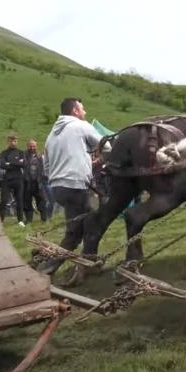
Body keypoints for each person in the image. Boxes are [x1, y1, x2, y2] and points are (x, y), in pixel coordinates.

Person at [36, 98, 109, 275]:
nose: (85, 112)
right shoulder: (80, 125)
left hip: (57, 188)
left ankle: (89, 262)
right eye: (83, 109)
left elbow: (46, 166)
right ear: (75, 111)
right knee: (77, 231)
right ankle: (48, 269)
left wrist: (83, 165)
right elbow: (107, 146)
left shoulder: (51, 135)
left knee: (87, 222)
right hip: (76, 185)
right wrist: (100, 161)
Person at [0, 135, 26, 225]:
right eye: (11, 141)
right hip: (7, 179)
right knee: (4, 200)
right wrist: (17, 163)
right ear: (8, 142)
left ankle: (20, 220)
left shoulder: (21, 152)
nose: (13, 143)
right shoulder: (4, 153)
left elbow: (24, 164)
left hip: (18, 178)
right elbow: (2, 165)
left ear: (17, 142)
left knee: (20, 200)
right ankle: (0, 220)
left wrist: (9, 163)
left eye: (15, 141)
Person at [23, 139, 47, 223]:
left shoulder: (39, 156)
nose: (32, 148)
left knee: (41, 200)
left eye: (34, 146)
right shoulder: (24, 155)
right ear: (27, 146)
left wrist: (42, 179)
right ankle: (29, 220)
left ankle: (44, 219)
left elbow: (43, 169)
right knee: (27, 201)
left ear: (36, 146)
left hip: (38, 182)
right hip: (27, 182)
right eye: (31, 146)